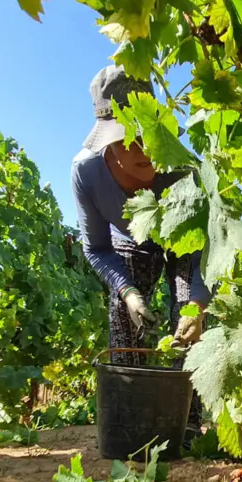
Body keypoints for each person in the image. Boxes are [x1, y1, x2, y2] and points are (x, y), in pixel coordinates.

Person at [72, 64, 209, 372]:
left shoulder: (182, 171)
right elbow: (97, 249)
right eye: (127, 138)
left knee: (190, 318)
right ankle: (129, 392)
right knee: (124, 312)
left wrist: (197, 306)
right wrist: (129, 293)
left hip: (185, 245)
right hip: (133, 240)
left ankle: (187, 402)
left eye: (147, 133)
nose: (143, 149)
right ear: (107, 141)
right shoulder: (87, 173)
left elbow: (202, 251)